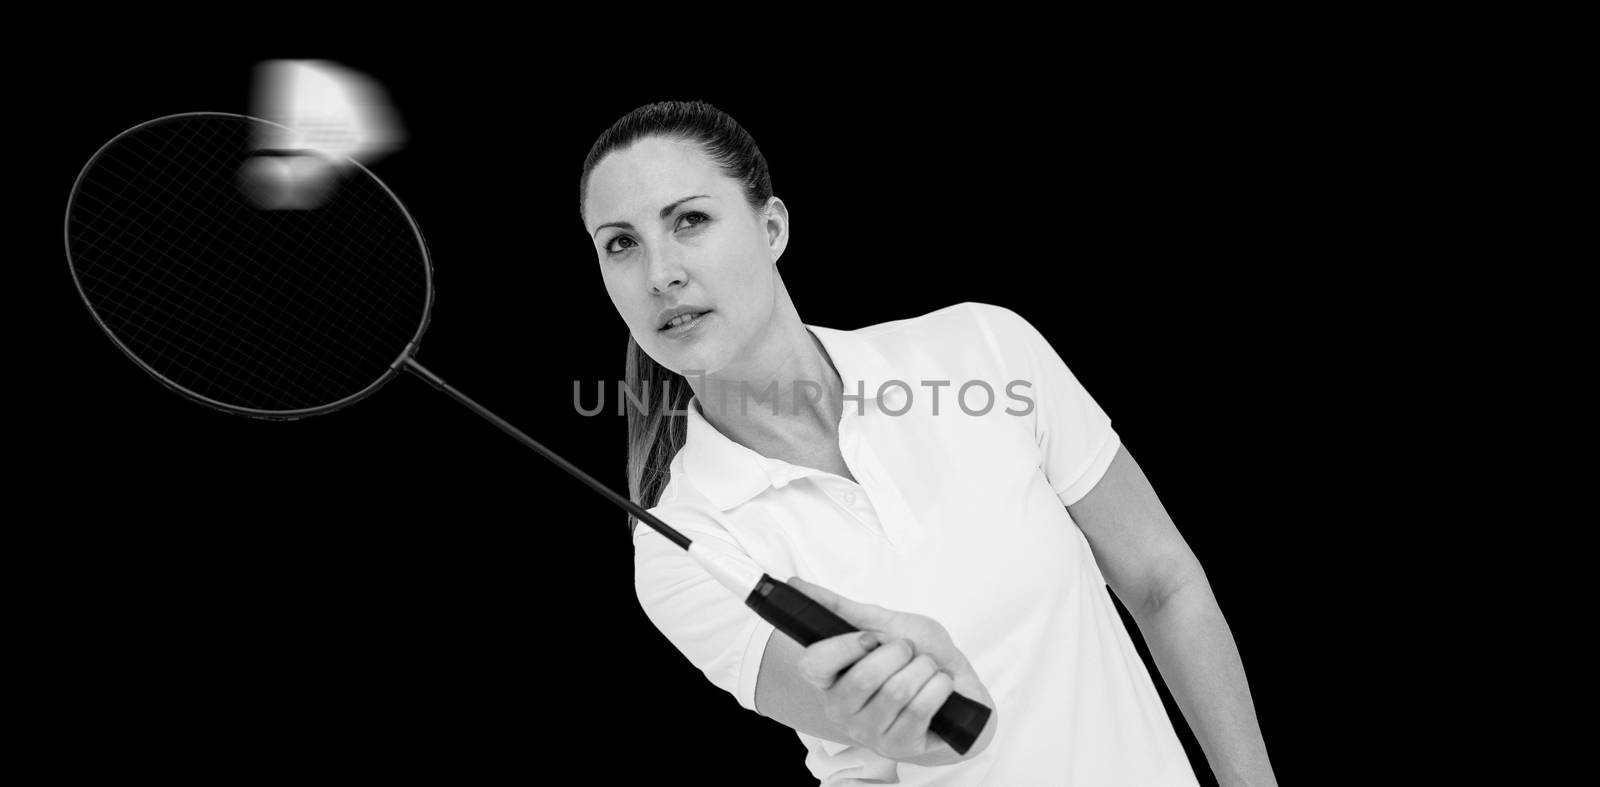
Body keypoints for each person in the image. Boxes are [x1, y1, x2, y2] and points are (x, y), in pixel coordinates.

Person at [578, 99, 1277, 786]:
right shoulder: (681, 547)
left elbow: (1163, 585)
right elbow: (900, 734)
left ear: (772, 228)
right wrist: (926, 707)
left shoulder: (985, 350)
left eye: (690, 220)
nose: (659, 272)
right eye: (621, 243)